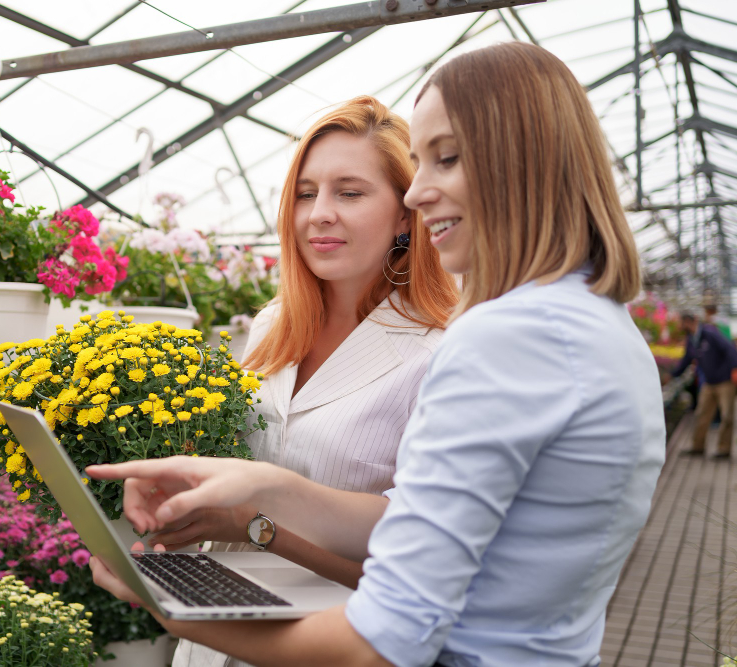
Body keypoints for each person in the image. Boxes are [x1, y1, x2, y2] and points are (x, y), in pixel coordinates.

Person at [86, 42, 665, 667]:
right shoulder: (599, 326)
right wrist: (252, 485)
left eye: (446, 160)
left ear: (521, 161)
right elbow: (420, 526)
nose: (419, 193)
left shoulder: (499, 337)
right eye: (306, 193)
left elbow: (381, 641)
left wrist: (165, 602)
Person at [164, 96, 459, 667]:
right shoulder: (274, 323)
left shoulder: (436, 354)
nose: (319, 213)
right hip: (215, 629)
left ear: (406, 214)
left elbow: (414, 560)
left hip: (331, 640)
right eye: (306, 193)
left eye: (349, 192)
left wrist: (259, 529)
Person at [673, 312, 737, 458]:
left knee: (727, 416)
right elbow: (686, 359)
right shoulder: (691, 339)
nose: (681, 326)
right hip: (709, 382)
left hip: (725, 381)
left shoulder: (710, 333)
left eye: (682, 323)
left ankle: (724, 449)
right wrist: (673, 375)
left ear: (689, 322)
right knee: (702, 414)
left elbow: (730, 349)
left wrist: (735, 369)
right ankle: (698, 446)